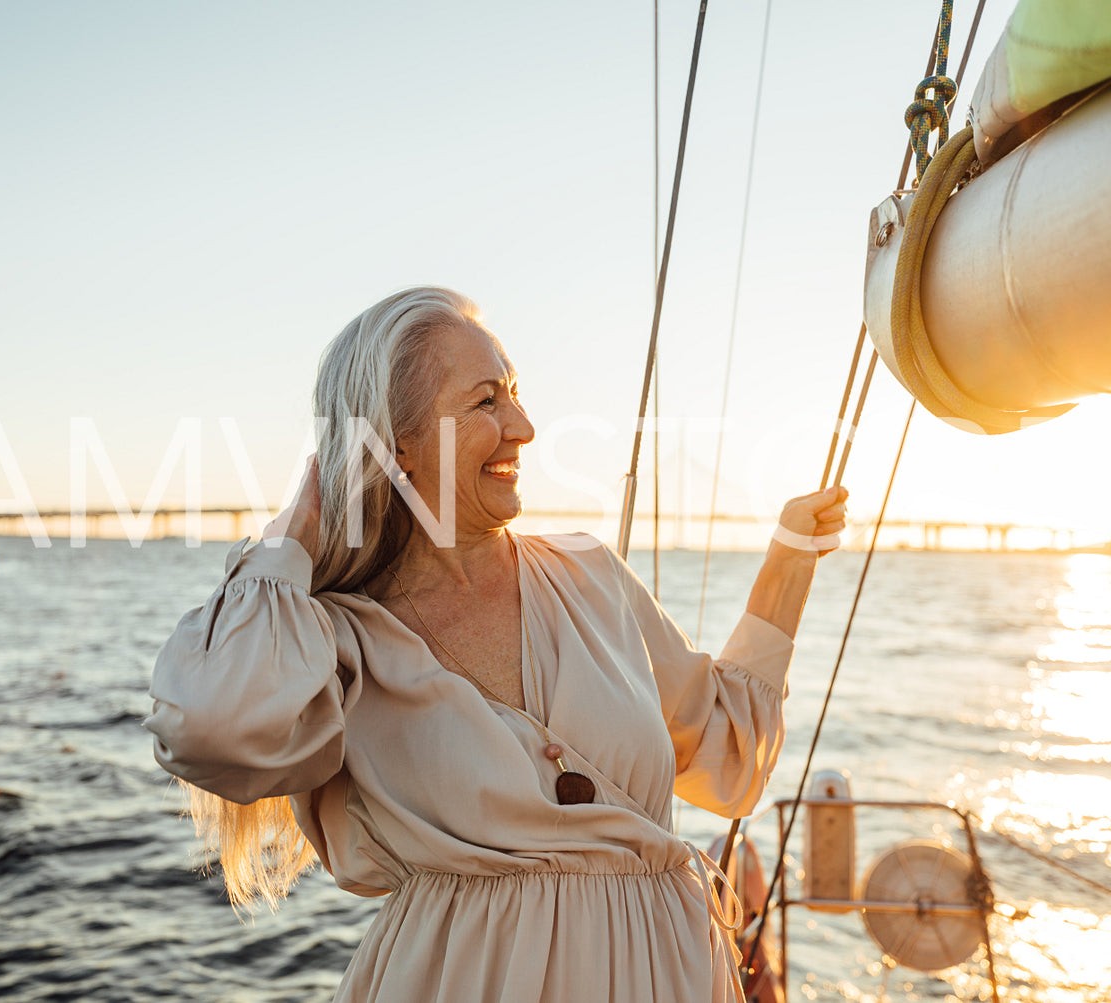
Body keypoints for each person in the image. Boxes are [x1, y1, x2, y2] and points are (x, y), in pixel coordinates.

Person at [145, 286, 848, 1003]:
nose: (525, 427)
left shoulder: (591, 576)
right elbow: (211, 729)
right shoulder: (333, 639)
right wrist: (290, 540)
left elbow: (728, 754)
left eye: (514, 395)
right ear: (395, 446)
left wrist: (786, 561)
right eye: (487, 401)